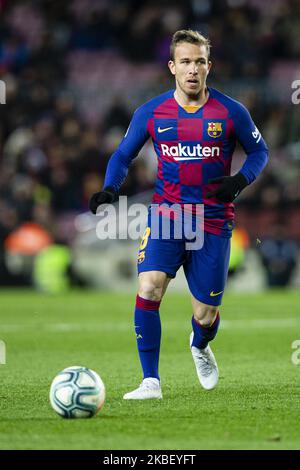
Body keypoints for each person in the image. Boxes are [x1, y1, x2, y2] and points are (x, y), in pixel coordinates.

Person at [89, 30, 268, 400]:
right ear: (172, 67)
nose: (192, 69)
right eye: (185, 61)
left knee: (205, 314)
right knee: (149, 286)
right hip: (167, 216)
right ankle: (150, 381)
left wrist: (239, 181)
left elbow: (259, 152)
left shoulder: (231, 111)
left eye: (199, 61)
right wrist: (111, 188)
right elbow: (123, 155)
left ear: (209, 66)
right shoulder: (151, 112)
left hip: (214, 221)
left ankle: (200, 345)